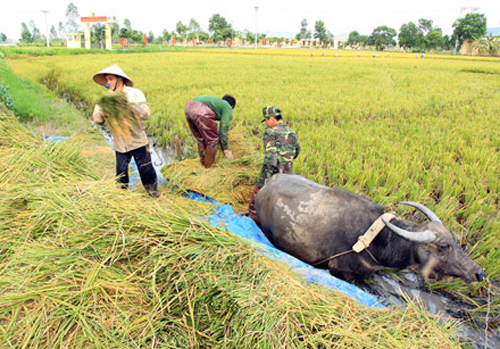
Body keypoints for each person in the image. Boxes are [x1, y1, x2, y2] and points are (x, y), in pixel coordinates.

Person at [92, 63, 159, 197]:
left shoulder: (135, 94)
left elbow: (145, 114)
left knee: (146, 167)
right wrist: (103, 114)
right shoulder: (106, 99)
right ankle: (121, 196)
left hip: (137, 139)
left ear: (119, 79)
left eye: (111, 79)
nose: (108, 82)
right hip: (120, 141)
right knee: (121, 171)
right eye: (107, 80)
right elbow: (97, 119)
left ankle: (152, 192)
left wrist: (128, 107)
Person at [248, 106, 300, 223]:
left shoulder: (270, 132)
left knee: (259, 191)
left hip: (273, 169)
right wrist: (287, 162)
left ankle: (254, 218)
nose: (266, 124)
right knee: (284, 195)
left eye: (266, 121)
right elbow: (297, 151)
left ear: (271, 119)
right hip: (287, 170)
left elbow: (270, 155)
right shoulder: (292, 132)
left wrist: (267, 177)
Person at [184, 95, 236, 168]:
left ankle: (203, 161)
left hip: (188, 107)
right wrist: (225, 150)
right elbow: (224, 126)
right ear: (232, 106)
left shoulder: (216, 103)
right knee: (213, 140)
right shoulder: (227, 106)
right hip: (201, 109)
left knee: (201, 138)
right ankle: (208, 167)